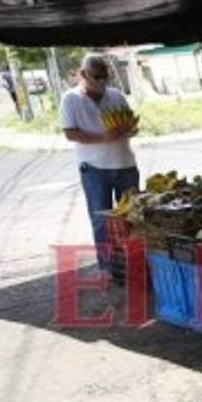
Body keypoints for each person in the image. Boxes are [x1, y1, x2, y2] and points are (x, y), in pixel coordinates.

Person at [59, 54, 139, 272]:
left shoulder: (115, 95)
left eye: (105, 76)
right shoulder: (70, 99)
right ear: (83, 74)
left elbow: (129, 121)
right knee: (101, 222)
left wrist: (129, 129)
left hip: (125, 165)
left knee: (132, 218)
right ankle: (109, 267)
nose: (102, 81)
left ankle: (134, 262)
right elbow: (70, 133)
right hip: (94, 169)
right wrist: (102, 138)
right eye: (97, 76)